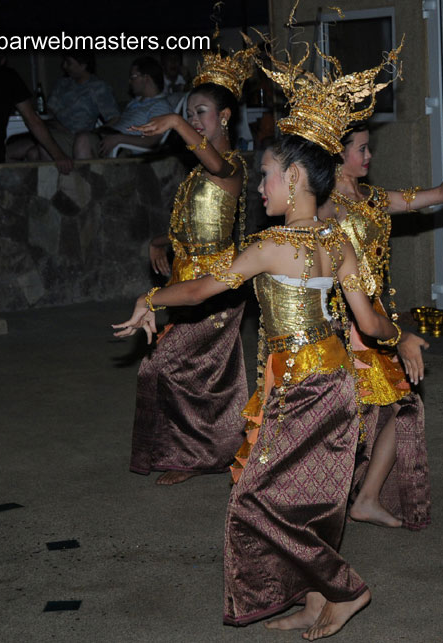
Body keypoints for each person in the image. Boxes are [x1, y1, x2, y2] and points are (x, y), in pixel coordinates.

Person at [116, 39, 403, 640]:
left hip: (300, 387)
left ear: (296, 177)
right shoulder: (337, 242)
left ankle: (346, 590)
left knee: (255, 502)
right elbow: (371, 326)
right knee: (303, 500)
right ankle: (317, 597)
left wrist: (150, 298)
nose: (259, 188)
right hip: (333, 383)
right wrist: (402, 338)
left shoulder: (274, 245)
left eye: (268, 176)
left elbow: (198, 293)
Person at [318, 122, 443, 530]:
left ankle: (363, 497)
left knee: (399, 405)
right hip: (343, 321)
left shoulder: (373, 198)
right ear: (337, 153)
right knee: (347, 412)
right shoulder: (324, 207)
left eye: (370, 149)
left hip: (375, 319)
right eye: (361, 149)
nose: (368, 157)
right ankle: (325, 498)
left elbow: (437, 196)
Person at [124, 39, 256, 485]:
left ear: (224, 118)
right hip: (186, 278)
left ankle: (196, 454)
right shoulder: (198, 173)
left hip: (216, 283)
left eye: (201, 112)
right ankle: (203, 452)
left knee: (163, 365)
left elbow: (216, 166)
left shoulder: (231, 166)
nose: (195, 118)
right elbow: (188, 225)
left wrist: (178, 122)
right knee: (195, 375)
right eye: (190, 111)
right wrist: (158, 241)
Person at [7, 51, 119, 161]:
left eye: (69, 63)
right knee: (22, 151)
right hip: (56, 132)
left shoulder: (98, 87)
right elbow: (48, 110)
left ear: (83, 65)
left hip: (79, 136)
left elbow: (114, 118)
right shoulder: (62, 84)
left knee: (46, 146)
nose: (64, 66)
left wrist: (95, 132)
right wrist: (55, 124)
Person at [72, 57, 171, 159]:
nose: (129, 81)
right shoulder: (135, 102)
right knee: (81, 136)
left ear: (146, 78)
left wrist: (119, 139)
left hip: (124, 147)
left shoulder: (160, 105)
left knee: (83, 140)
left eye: (133, 77)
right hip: (111, 139)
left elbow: (153, 140)